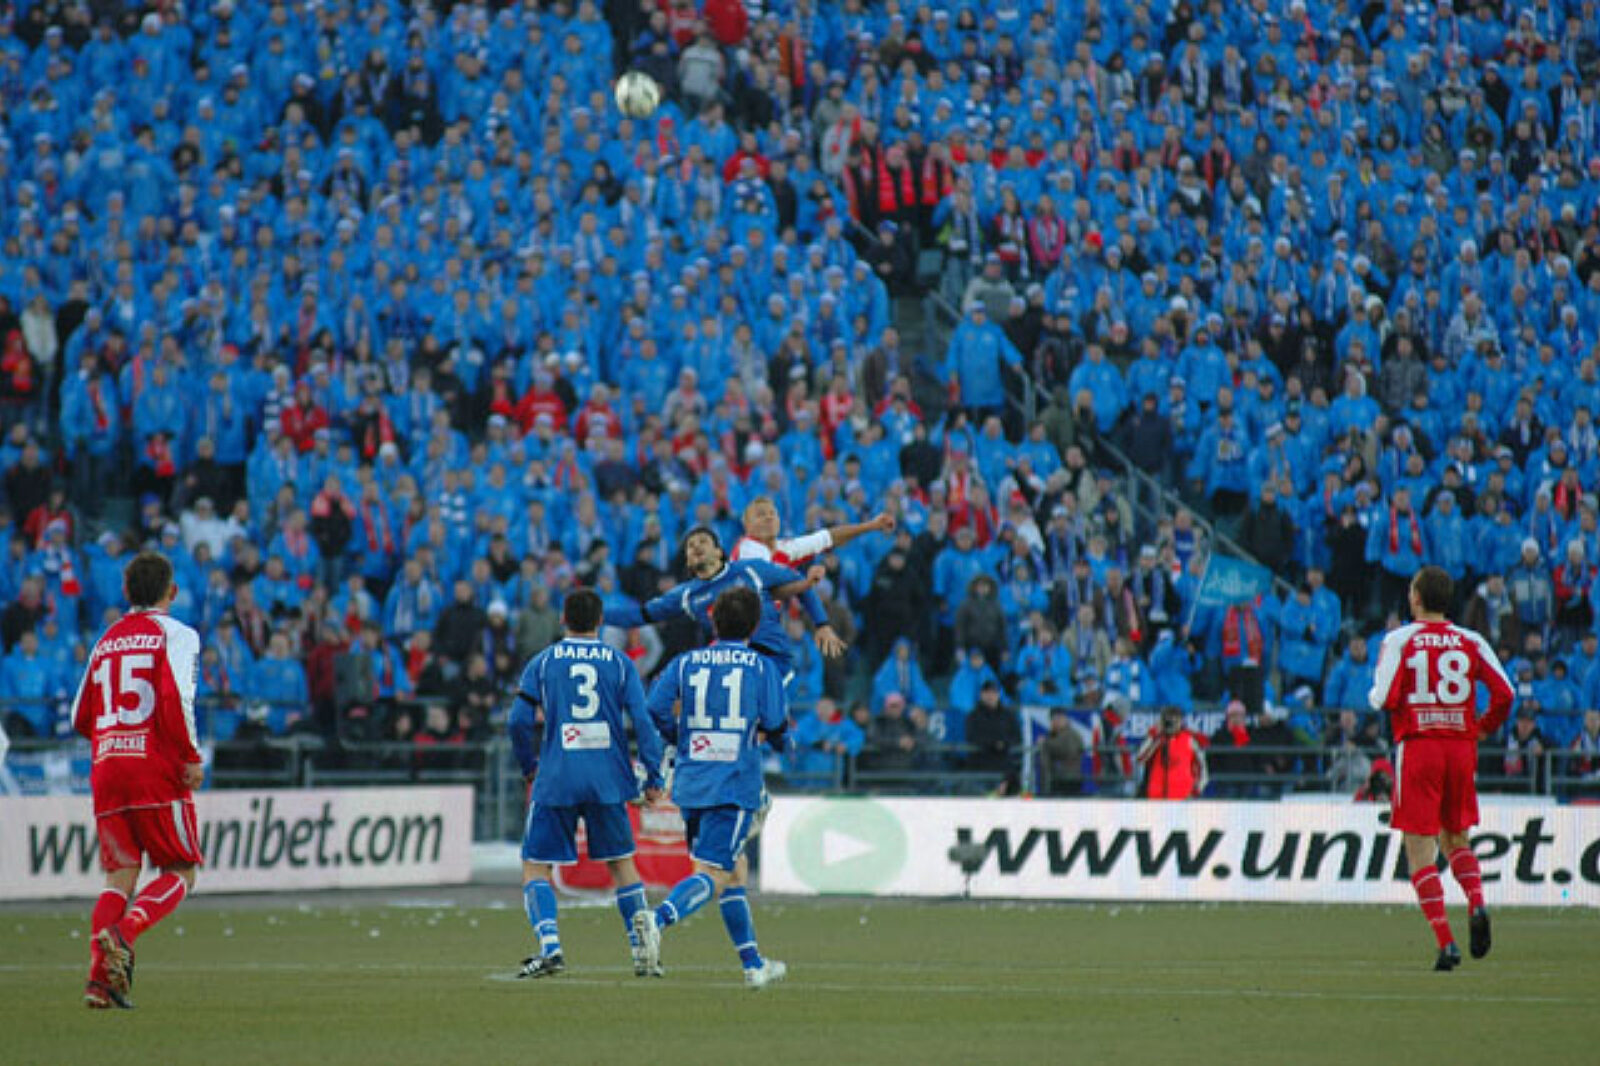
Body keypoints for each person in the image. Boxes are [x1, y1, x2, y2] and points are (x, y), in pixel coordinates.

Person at [634, 587, 788, 990]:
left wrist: (679, 735)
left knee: (734, 870)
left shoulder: (685, 662)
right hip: (733, 783)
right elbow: (776, 723)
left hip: (692, 782)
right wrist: (781, 742)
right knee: (715, 873)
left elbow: (653, 709)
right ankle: (656, 920)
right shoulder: (761, 667)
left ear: (713, 622)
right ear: (755, 625)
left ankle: (753, 965)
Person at [507, 588, 665, 979]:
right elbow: (643, 722)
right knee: (622, 865)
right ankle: (642, 950)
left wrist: (529, 765)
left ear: (563, 619)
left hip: (557, 777)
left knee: (536, 866)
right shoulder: (621, 663)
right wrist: (653, 775)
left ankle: (551, 947)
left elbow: (518, 721)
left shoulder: (543, 662)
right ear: (601, 622)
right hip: (607, 779)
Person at [70, 551, 204, 1009]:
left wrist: (115, 739)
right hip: (154, 770)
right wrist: (190, 755)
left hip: (108, 768)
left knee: (119, 878)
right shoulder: (178, 634)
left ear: (126, 591)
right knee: (181, 870)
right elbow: (175, 696)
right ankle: (124, 934)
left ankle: (99, 983)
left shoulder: (105, 640)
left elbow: (79, 715)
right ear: (173, 591)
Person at [1369, 565, 1514, 971]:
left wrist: (1383, 691)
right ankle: (1477, 902)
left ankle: (1446, 943)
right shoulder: (1470, 640)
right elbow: (1505, 693)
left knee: (1419, 851)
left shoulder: (1400, 639)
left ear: (1416, 598)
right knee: (1456, 839)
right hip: (1460, 748)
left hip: (1420, 747)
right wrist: (1481, 728)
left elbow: (1383, 697)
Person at [731, 495, 895, 567]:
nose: (768, 518)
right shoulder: (747, 548)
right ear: (747, 525)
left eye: (772, 513)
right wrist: (803, 584)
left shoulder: (785, 549)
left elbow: (830, 537)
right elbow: (767, 576)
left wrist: (870, 525)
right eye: (760, 514)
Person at [1135, 706, 1207, 799]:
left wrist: (1197, 790)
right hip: (1157, 797)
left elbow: (1202, 767)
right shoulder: (1156, 738)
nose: (1171, 724)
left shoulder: (1190, 740)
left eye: (1175, 720)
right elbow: (1141, 759)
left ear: (1181, 722)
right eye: (1168, 720)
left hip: (1183, 797)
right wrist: (1154, 737)